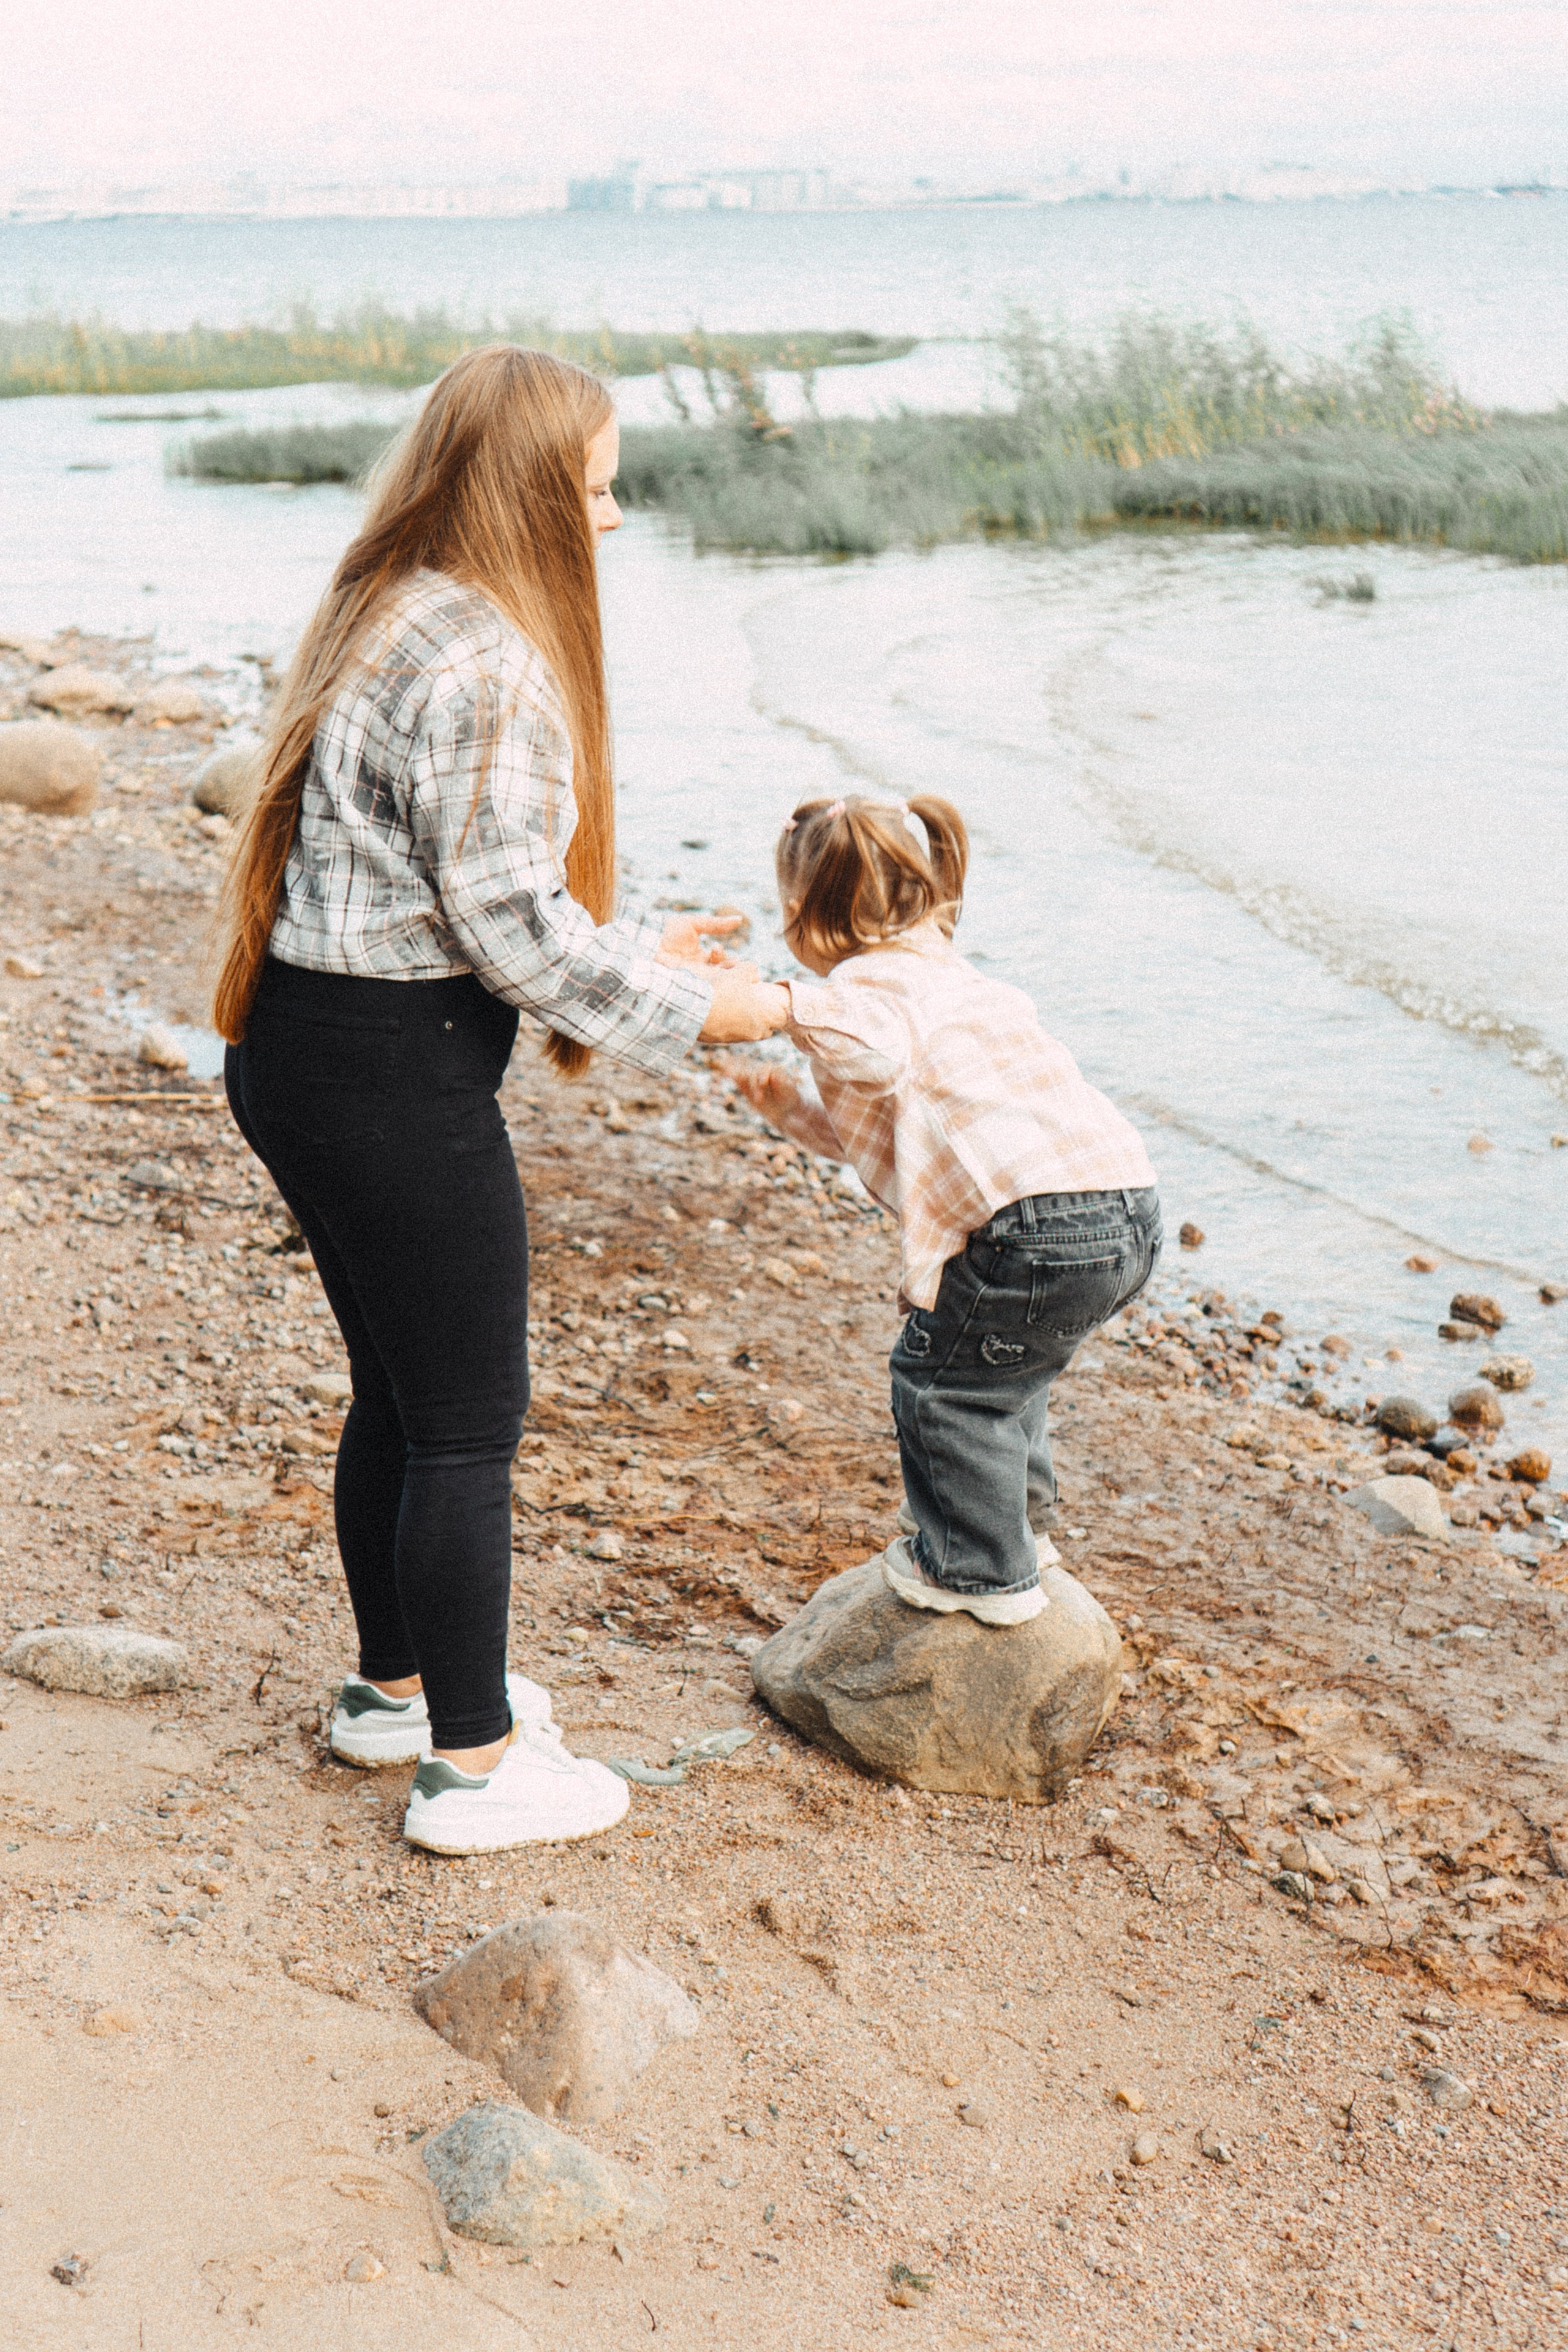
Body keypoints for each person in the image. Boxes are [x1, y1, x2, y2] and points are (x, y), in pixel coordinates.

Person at [213, 345, 789, 1856]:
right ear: (528, 489)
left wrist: (629, 956)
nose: (611, 517)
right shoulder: (484, 661)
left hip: (303, 1050)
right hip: (388, 1078)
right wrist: (728, 1012)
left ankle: (394, 1693)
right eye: (594, 488)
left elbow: (468, 897)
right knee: (468, 1420)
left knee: (402, 1396)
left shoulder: (386, 603)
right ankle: (472, 1768)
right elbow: (515, 933)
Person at [725, 793, 1160, 1626]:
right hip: (1127, 1208)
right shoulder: (959, 981)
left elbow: (879, 1047)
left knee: (939, 1388)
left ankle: (979, 1571)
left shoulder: (868, 991)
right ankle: (1022, 1528)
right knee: (1004, 1374)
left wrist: (780, 1007)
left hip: (1030, 1230)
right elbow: (903, 1122)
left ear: (799, 914)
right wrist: (787, 1109)